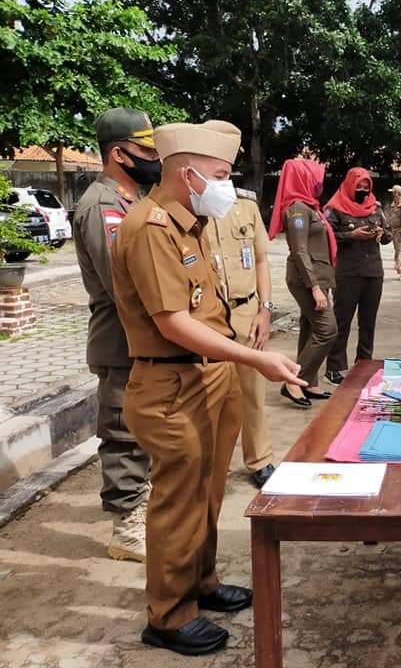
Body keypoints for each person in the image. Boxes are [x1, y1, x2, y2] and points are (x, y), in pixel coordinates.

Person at [111, 120, 303, 655]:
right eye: (220, 174)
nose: (226, 184)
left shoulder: (191, 222)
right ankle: (168, 616)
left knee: (209, 492)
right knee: (179, 500)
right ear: (186, 172)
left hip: (208, 375)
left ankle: (201, 583)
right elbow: (172, 321)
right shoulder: (151, 228)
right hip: (171, 382)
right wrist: (256, 358)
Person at [73, 107, 157, 562]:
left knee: (147, 430)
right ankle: (126, 528)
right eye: (146, 150)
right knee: (125, 433)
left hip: (144, 338)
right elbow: (122, 282)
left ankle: (143, 511)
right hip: (123, 340)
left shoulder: (134, 202)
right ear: (120, 154)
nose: (153, 158)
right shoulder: (104, 206)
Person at [205, 186, 276, 487]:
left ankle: (260, 459)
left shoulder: (245, 207)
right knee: (206, 394)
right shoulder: (190, 208)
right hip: (208, 318)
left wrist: (265, 310)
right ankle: (205, 463)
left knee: (253, 392)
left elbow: (261, 260)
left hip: (247, 312)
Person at [268, 159, 338, 403]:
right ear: (303, 179)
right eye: (314, 178)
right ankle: (293, 379)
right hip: (307, 279)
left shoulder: (309, 207)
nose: (319, 182)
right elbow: (299, 251)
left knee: (310, 328)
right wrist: (315, 287)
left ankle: (308, 383)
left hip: (318, 277)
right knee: (327, 330)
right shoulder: (297, 209)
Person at [324, 167, 392, 383]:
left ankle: (364, 364)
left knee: (368, 322)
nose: (362, 190)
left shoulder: (375, 208)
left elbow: (389, 234)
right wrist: (351, 235)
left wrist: (383, 234)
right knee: (342, 321)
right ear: (349, 185)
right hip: (347, 272)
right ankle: (334, 367)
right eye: (359, 186)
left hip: (373, 272)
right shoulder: (335, 208)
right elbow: (327, 236)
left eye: (366, 186)